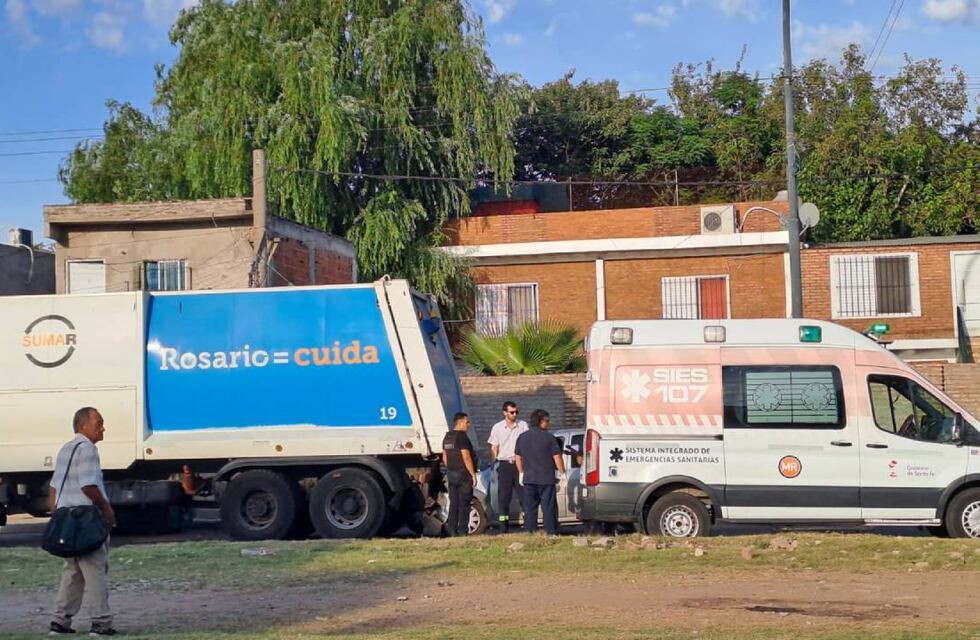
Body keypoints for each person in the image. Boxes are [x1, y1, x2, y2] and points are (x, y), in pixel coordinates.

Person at [48, 407, 117, 637]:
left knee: (73, 571)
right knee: (95, 569)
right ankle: (101, 622)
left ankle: (60, 621)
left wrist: (57, 512)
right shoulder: (88, 449)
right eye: (99, 422)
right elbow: (88, 485)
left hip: (68, 520)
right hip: (86, 519)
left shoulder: (66, 448)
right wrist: (107, 510)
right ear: (83, 425)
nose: (103, 427)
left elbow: (53, 486)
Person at [515, 409, 565, 536]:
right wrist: (562, 473)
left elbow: (517, 457)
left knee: (530, 508)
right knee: (548, 508)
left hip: (529, 478)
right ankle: (550, 532)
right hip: (546, 478)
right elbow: (557, 457)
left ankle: (530, 532)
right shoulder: (549, 438)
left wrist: (521, 472)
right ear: (541, 421)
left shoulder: (522, 437)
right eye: (547, 421)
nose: (549, 423)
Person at [487, 400, 528, 532]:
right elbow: (494, 447)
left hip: (519, 464)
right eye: (512, 412)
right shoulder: (497, 427)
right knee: (504, 497)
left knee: (523, 495)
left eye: (516, 412)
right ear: (505, 413)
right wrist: (493, 466)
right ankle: (503, 526)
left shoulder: (522, 425)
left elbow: (527, 444)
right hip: (504, 465)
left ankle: (528, 523)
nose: (514, 414)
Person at [441, 412, 478, 536]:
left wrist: (450, 468)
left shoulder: (447, 437)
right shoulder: (462, 437)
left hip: (451, 473)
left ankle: (452, 530)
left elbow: (445, 456)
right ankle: (462, 530)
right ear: (460, 422)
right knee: (464, 503)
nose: (469, 425)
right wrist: (473, 474)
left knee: (454, 503)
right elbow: (466, 456)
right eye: (467, 422)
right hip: (463, 474)